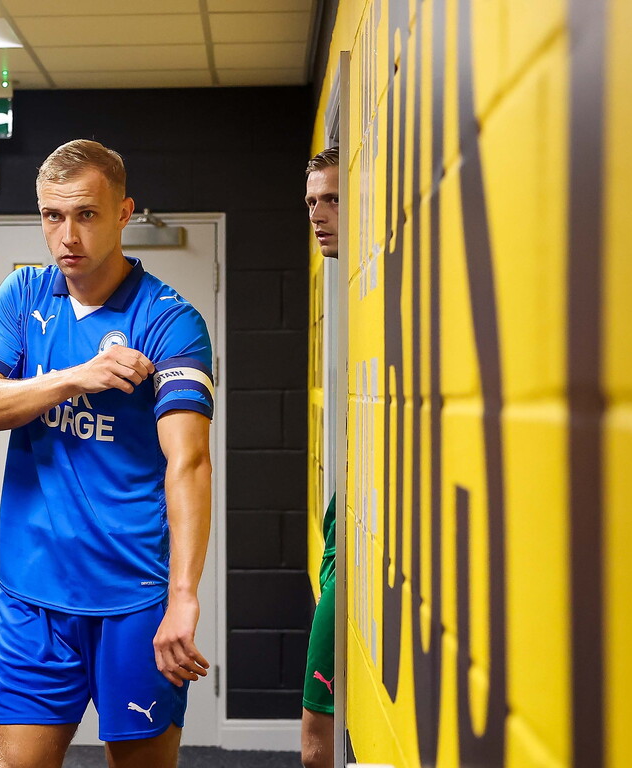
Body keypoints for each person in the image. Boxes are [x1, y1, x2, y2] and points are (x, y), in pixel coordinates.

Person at [0, 139, 214, 768]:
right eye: (52, 216)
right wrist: (79, 376)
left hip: (133, 598)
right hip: (31, 597)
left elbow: (189, 461)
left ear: (124, 212)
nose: (67, 234)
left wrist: (184, 595)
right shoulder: (22, 298)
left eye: (86, 215)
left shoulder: (171, 321)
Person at [301, 146, 339, 768]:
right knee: (315, 747)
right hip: (341, 537)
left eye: (331, 198)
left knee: (316, 749)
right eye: (311, 202)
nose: (318, 214)